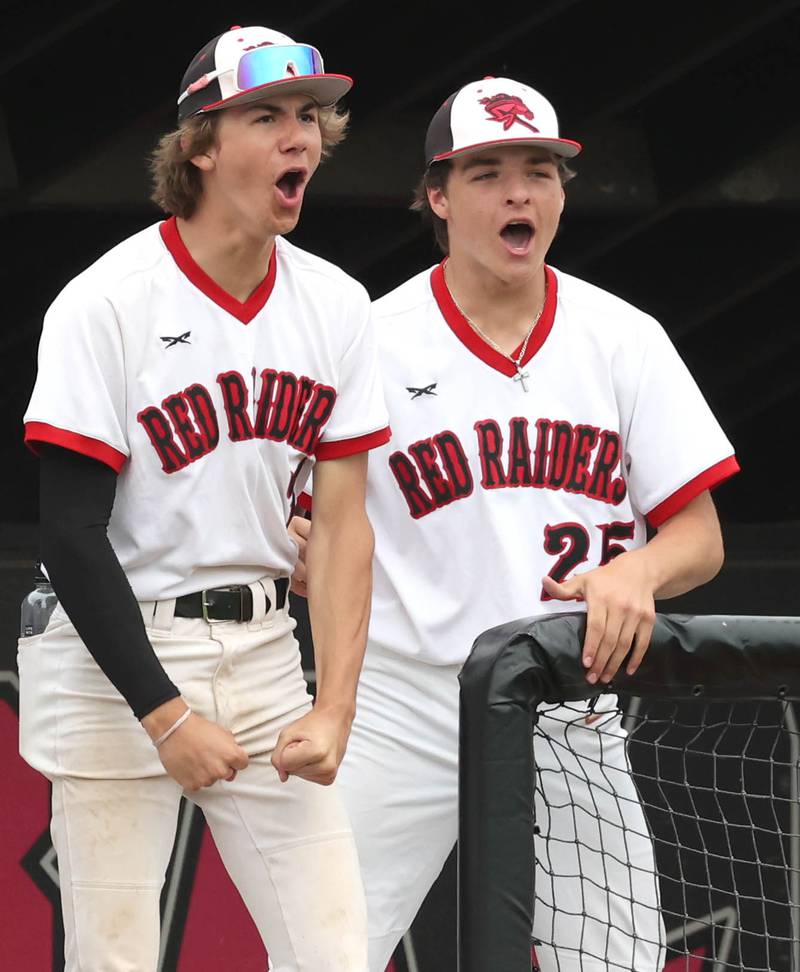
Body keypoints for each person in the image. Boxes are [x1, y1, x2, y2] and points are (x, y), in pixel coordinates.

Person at [291, 75, 739, 971]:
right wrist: (301, 548)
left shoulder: (623, 339)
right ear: (438, 195)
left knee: (617, 964)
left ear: (563, 193)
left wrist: (636, 574)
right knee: (315, 957)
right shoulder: (371, 342)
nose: (518, 193)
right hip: (404, 702)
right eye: (489, 172)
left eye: (539, 170)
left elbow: (700, 533)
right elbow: (307, 529)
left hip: (570, 706)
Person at [19, 24, 389, 972]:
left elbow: (345, 525)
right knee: (114, 962)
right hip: (115, 659)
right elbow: (65, 528)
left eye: (310, 115)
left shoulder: (338, 305)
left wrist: (336, 707)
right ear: (202, 145)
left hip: (264, 650)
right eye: (266, 116)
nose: (299, 134)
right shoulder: (107, 301)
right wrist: (165, 714)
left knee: (336, 954)